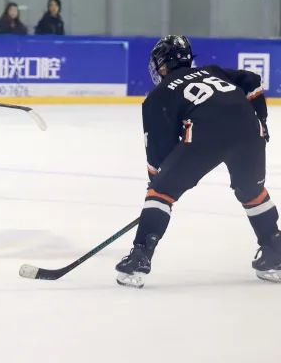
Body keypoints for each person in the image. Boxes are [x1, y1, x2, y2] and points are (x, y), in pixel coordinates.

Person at [115, 36, 280, 287]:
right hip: (250, 129)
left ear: (162, 65)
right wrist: (262, 120)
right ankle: (275, 249)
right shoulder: (211, 71)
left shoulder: (159, 95)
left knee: (161, 191)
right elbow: (252, 81)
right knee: (251, 190)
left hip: (207, 133)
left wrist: (158, 191)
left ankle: (140, 257)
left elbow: (158, 152)